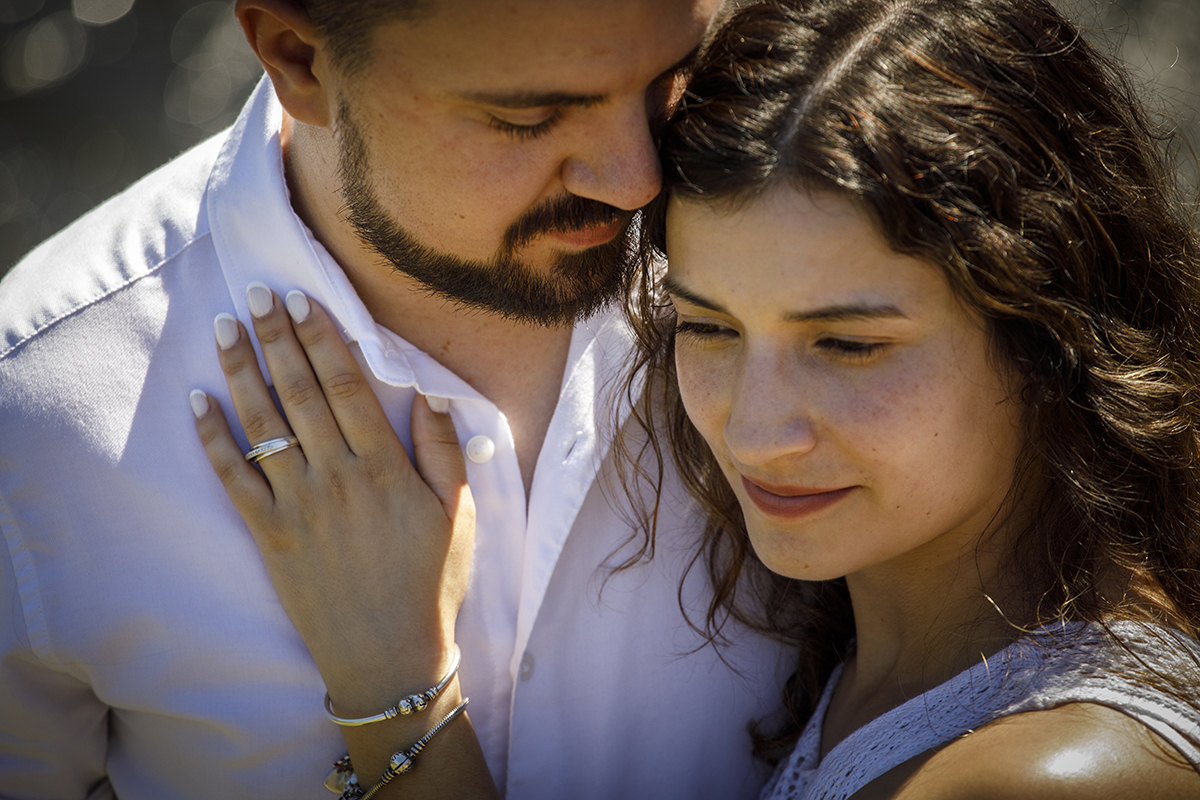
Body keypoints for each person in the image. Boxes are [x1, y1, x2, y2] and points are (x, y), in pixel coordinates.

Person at [196, 0, 1200, 797]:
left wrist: (398, 697)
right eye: (707, 327)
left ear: (1053, 332)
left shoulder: (1057, 774)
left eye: (847, 343)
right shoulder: (867, 640)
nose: (755, 429)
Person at [0, 1, 798, 798]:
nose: (636, 180)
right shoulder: (41, 416)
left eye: (668, 79)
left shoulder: (828, 268)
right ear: (296, 58)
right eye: (531, 116)